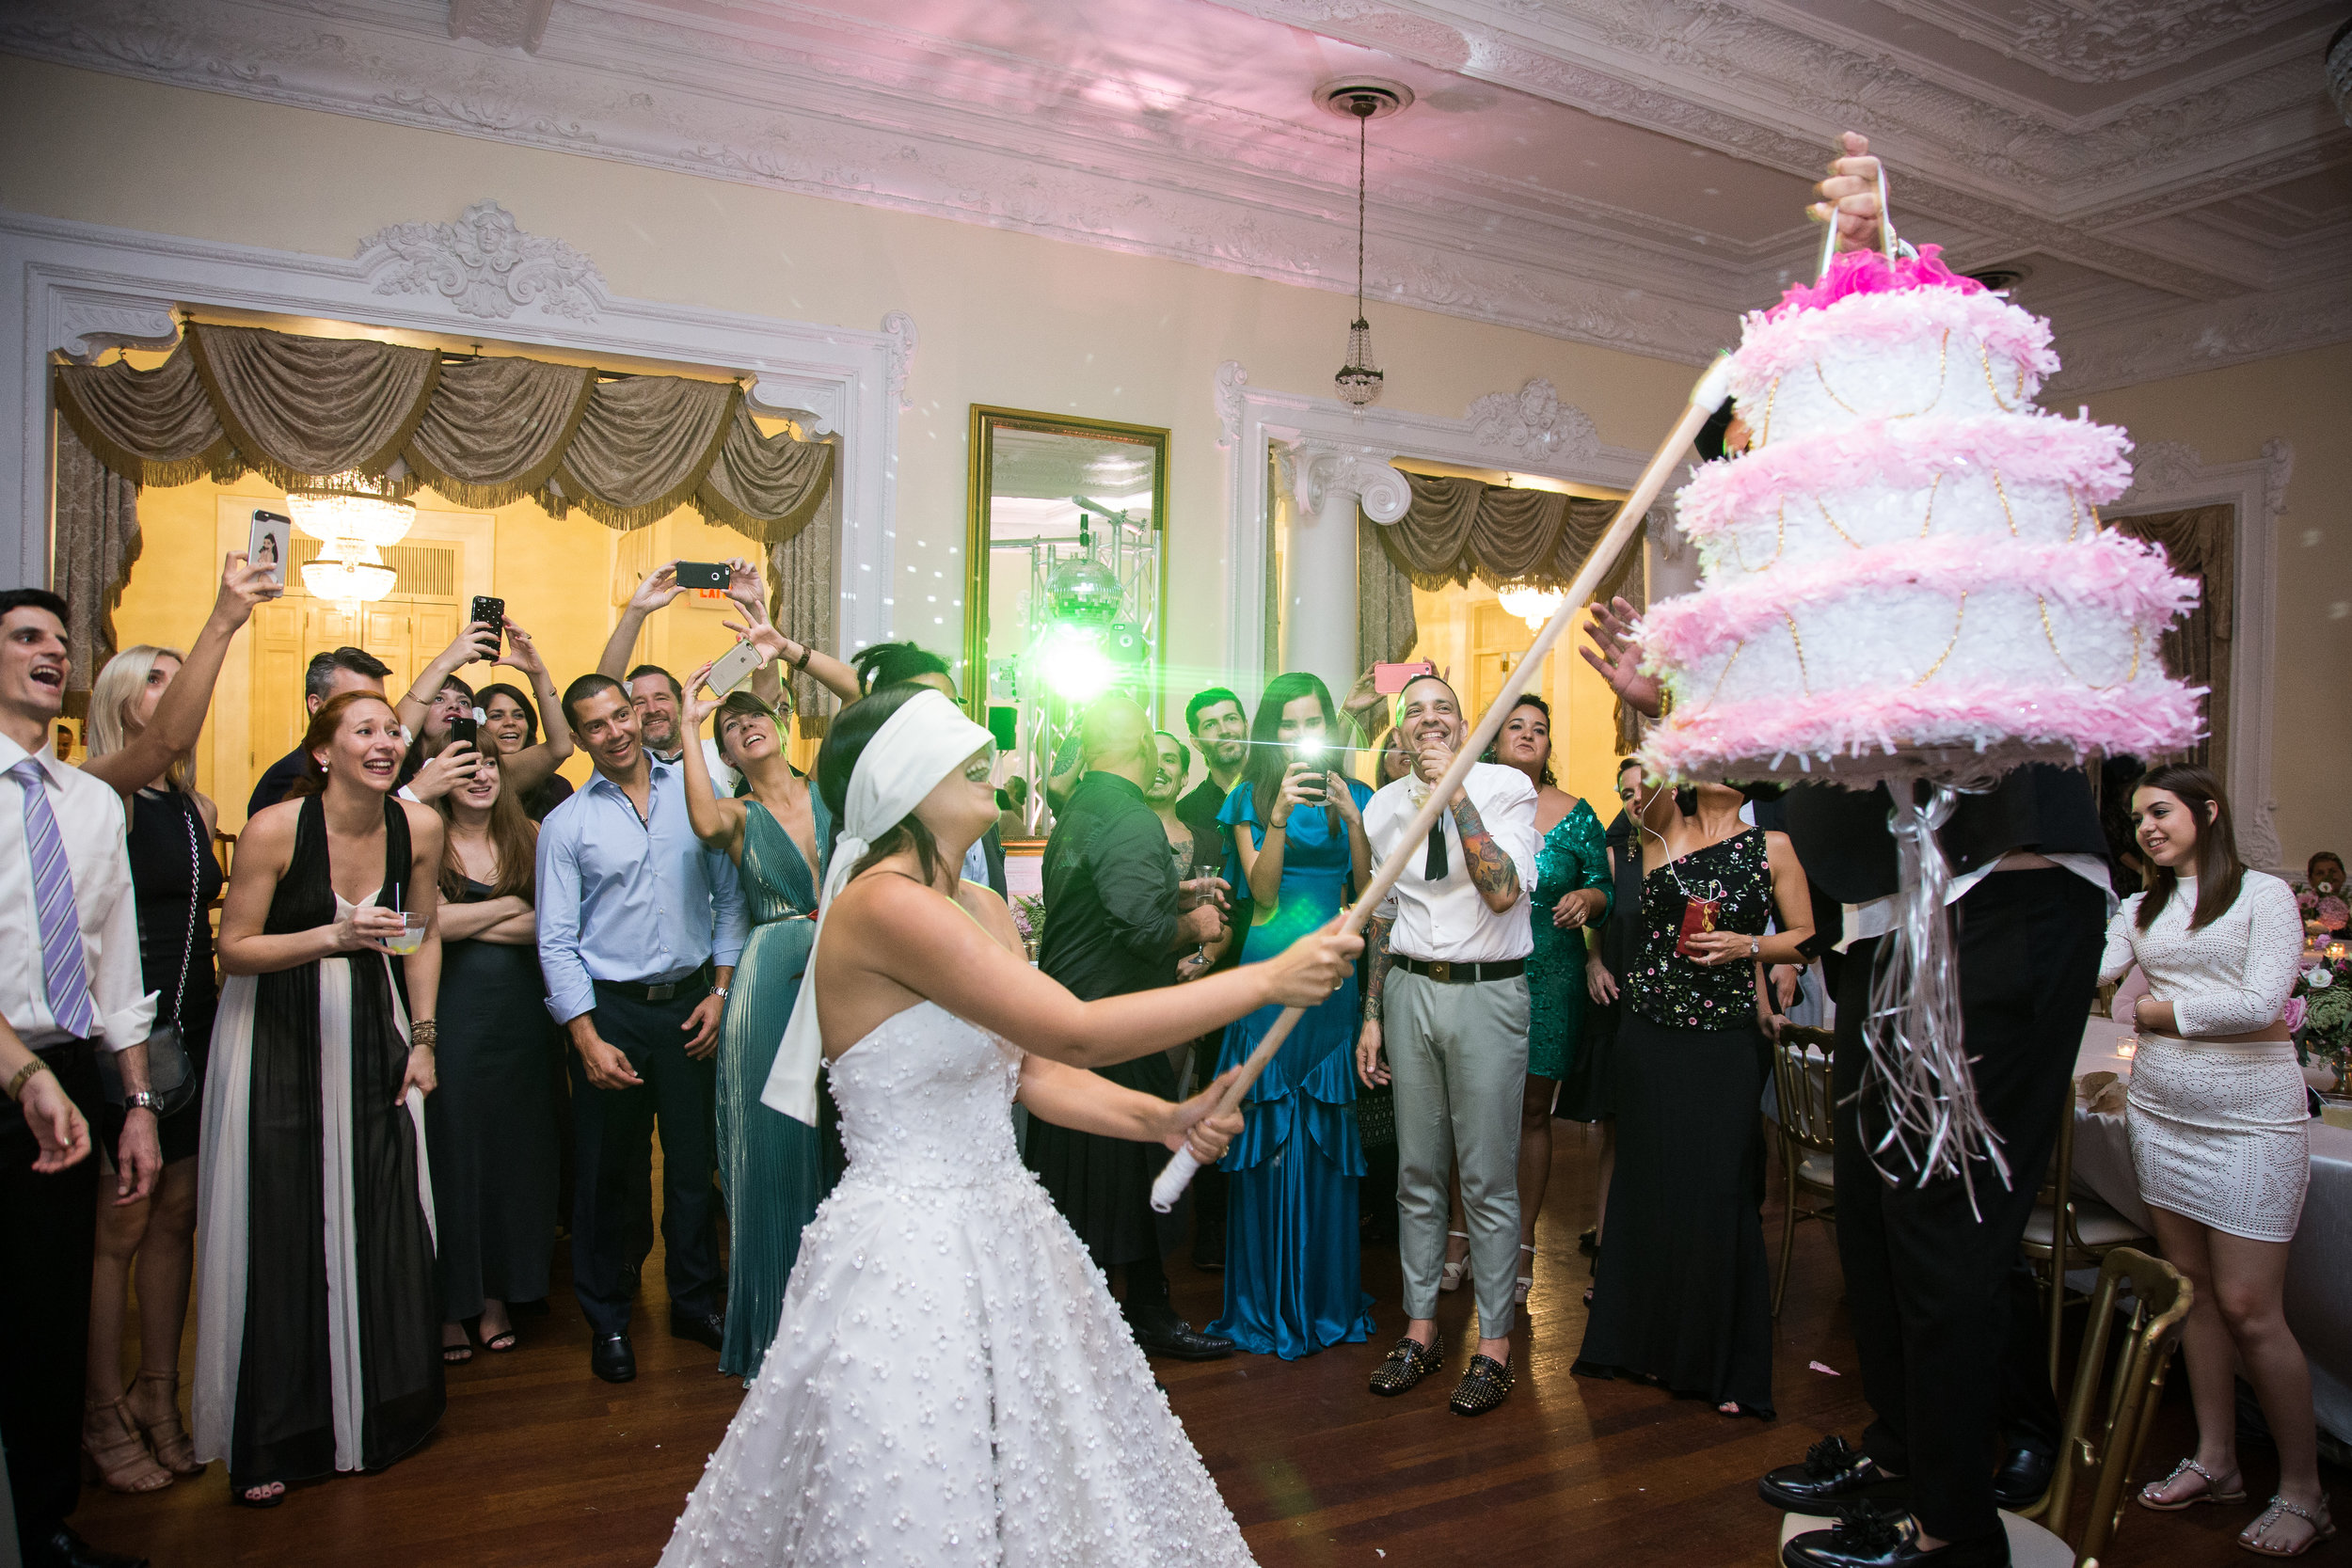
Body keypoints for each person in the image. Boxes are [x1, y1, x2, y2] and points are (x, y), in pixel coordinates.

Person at [655, 681, 1360, 1567]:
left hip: (1008, 1225)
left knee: (1045, 1461)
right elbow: (1071, 1025)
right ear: (909, 780)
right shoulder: (882, 906)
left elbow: (1030, 1071)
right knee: (915, 1478)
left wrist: (1164, 1116)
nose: (987, 760)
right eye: (964, 756)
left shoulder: (984, 908)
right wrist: (1268, 977)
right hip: (906, 1248)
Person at [194, 689, 445, 1508]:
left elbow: (419, 929)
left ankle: (380, 1412)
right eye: (363, 731)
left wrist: (425, 1037)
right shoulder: (277, 828)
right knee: (287, 1220)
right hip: (280, 1044)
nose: (384, 742)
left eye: (391, 730)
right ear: (324, 751)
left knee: (380, 1213)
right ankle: (280, 1432)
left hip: (376, 1036)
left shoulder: (420, 828)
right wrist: (333, 937)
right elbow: (234, 950)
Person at [74, 554, 274, 1496]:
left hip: (190, 1024)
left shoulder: (191, 804)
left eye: (175, 674)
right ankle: (99, 1409)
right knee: (120, 1226)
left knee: (179, 1215)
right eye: (155, 678)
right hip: (123, 1033)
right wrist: (224, 617)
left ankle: (160, 1394)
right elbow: (159, 746)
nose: (174, 692)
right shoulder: (96, 788)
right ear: (122, 700)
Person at [2105, 767, 2327, 1554]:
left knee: (2248, 1307)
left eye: (2159, 811)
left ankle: (2303, 1489)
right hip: (2161, 1114)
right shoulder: (2138, 908)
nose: (2147, 829)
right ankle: (2217, 1458)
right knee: (2193, 1293)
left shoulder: (2263, 894)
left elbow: (2262, 1003)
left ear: (2208, 809)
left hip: (2251, 1121)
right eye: (2136, 819)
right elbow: (2093, 978)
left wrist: (2153, 1010)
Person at [1, 588, 161, 1568]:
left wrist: (135, 1100)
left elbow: (114, 968)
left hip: (64, 1079)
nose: (52, 652)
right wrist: (20, 1072)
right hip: (17, 1069)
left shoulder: (94, 801)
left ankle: (43, 1523)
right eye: (26, 637)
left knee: (45, 1315)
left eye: (62, 642)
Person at [1572, 779, 1813, 1419]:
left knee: (1720, 1189)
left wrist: (1748, 945)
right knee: (1649, 1183)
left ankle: (1719, 1364)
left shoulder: (1774, 846)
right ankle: (1638, 1345)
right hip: (1648, 1034)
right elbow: (1652, 768)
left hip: (1725, 1039)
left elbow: (1807, 935)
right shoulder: (1661, 830)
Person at [536, 673, 747, 1385]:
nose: (616, 731)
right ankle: (609, 1317)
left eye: (621, 715)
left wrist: (720, 992)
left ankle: (694, 1301)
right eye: (596, 725)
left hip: (691, 1002)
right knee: (609, 1172)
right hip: (613, 1010)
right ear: (580, 737)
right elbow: (557, 940)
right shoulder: (568, 824)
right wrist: (585, 1035)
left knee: (694, 1167)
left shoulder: (695, 792)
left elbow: (728, 901)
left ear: (636, 714)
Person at [1024, 697, 1232, 1360]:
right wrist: (1197, 925)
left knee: (1086, 1180)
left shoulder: (1081, 809)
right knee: (1125, 1172)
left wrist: (1179, 894)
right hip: (1112, 1024)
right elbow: (1139, 932)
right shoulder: (1134, 816)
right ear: (1141, 744)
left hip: (1072, 1016)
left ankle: (1110, 1315)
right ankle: (1135, 1319)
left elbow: (1101, 900)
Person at [1356, 673, 1538, 1416]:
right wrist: (1371, 1011)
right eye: (1415, 713)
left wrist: (1453, 790)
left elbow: (1502, 890)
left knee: (1488, 1175)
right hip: (1407, 988)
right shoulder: (1380, 806)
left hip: (1489, 989)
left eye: (1443, 711)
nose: (1428, 722)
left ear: (1466, 726)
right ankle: (1422, 1329)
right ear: (1398, 732)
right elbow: (1384, 912)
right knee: (1417, 1170)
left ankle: (1494, 1346)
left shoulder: (1505, 788)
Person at [1206, 671, 1377, 1359]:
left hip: (1333, 976)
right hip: (1270, 969)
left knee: (1325, 1132)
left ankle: (1324, 1296)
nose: (1301, 732)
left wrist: (1357, 821)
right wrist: (1275, 818)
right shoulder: (1248, 796)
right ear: (1272, 728)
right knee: (1268, 1129)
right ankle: (1263, 1299)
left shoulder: (1356, 794)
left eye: (1313, 720)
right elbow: (1264, 893)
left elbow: (1367, 893)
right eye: (1289, 721)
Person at [675, 664, 830, 1385]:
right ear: (727, 755)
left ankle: (841, 1315)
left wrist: (767, 636)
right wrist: (687, 719)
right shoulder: (734, 814)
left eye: (752, 715)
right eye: (729, 728)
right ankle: (773, 1318)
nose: (745, 726)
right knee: (772, 1145)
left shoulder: (832, 791)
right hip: (770, 977)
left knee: (839, 1135)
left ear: (781, 720)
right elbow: (702, 822)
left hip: (842, 969)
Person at [1479, 693, 1608, 1307]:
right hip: (1480, 966)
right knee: (1471, 1108)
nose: (1529, 735)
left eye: (1540, 729)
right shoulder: (1467, 799)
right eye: (1516, 726)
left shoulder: (1576, 813)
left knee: (1532, 1111)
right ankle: (1460, 1238)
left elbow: (1605, 883)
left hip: (1551, 973)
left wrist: (1590, 901)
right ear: (1495, 740)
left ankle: (1523, 1242)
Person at [426, 753, 555, 1365]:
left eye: (489, 766)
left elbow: (550, 927)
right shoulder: (423, 835)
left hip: (523, 1020)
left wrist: (455, 920)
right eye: (465, 766)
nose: (480, 777)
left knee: (516, 1157)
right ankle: (450, 1303)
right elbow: (417, 929)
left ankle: (499, 1295)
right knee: (454, 1156)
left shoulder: (528, 834)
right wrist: (510, 909)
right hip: (452, 1015)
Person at [1564, 757, 1649, 1277]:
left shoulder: (1691, 852)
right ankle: (1609, 1255)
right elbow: (1602, 918)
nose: (1636, 800)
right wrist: (1594, 961)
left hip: (1677, 1007)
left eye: (1644, 789)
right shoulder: (1619, 855)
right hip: (1623, 1001)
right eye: (1626, 794)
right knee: (1617, 1132)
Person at [849, 640, 1009, 898]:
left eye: (953, 705)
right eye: (934, 709)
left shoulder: (978, 804)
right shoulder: (879, 818)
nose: (950, 719)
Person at [394, 616, 573, 805]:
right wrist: (446, 661)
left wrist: (538, 674)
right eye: (439, 699)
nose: (454, 706)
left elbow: (561, 747)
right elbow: (402, 723)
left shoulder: (486, 772)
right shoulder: (394, 769)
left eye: (464, 703)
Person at [245, 645, 391, 816]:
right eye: (356, 701)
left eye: (379, 702)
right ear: (316, 705)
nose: (371, 711)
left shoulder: (379, 767)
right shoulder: (289, 778)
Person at [477, 681, 574, 820]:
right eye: (497, 716)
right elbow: (561, 747)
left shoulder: (557, 786)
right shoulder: (471, 780)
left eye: (518, 715)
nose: (510, 722)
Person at [1145, 730, 1209, 888]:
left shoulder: (1211, 844)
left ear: (1184, 778)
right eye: (1150, 757)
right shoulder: (1114, 834)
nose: (1158, 766)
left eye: (1169, 759)